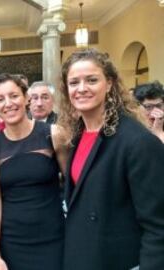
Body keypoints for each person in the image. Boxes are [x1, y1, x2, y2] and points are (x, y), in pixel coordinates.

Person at [58, 48, 164, 270]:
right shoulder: (77, 136)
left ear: (109, 84)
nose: (81, 88)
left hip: (118, 261)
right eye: (74, 82)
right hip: (83, 257)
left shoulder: (138, 141)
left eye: (92, 80)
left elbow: (157, 225)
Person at [0, 73, 66, 270]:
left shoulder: (53, 134)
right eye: (0, 99)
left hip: (53, 237)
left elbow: (74, 184)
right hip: (12, 242)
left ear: (26, 97)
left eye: (14, 95)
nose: (8, 103)